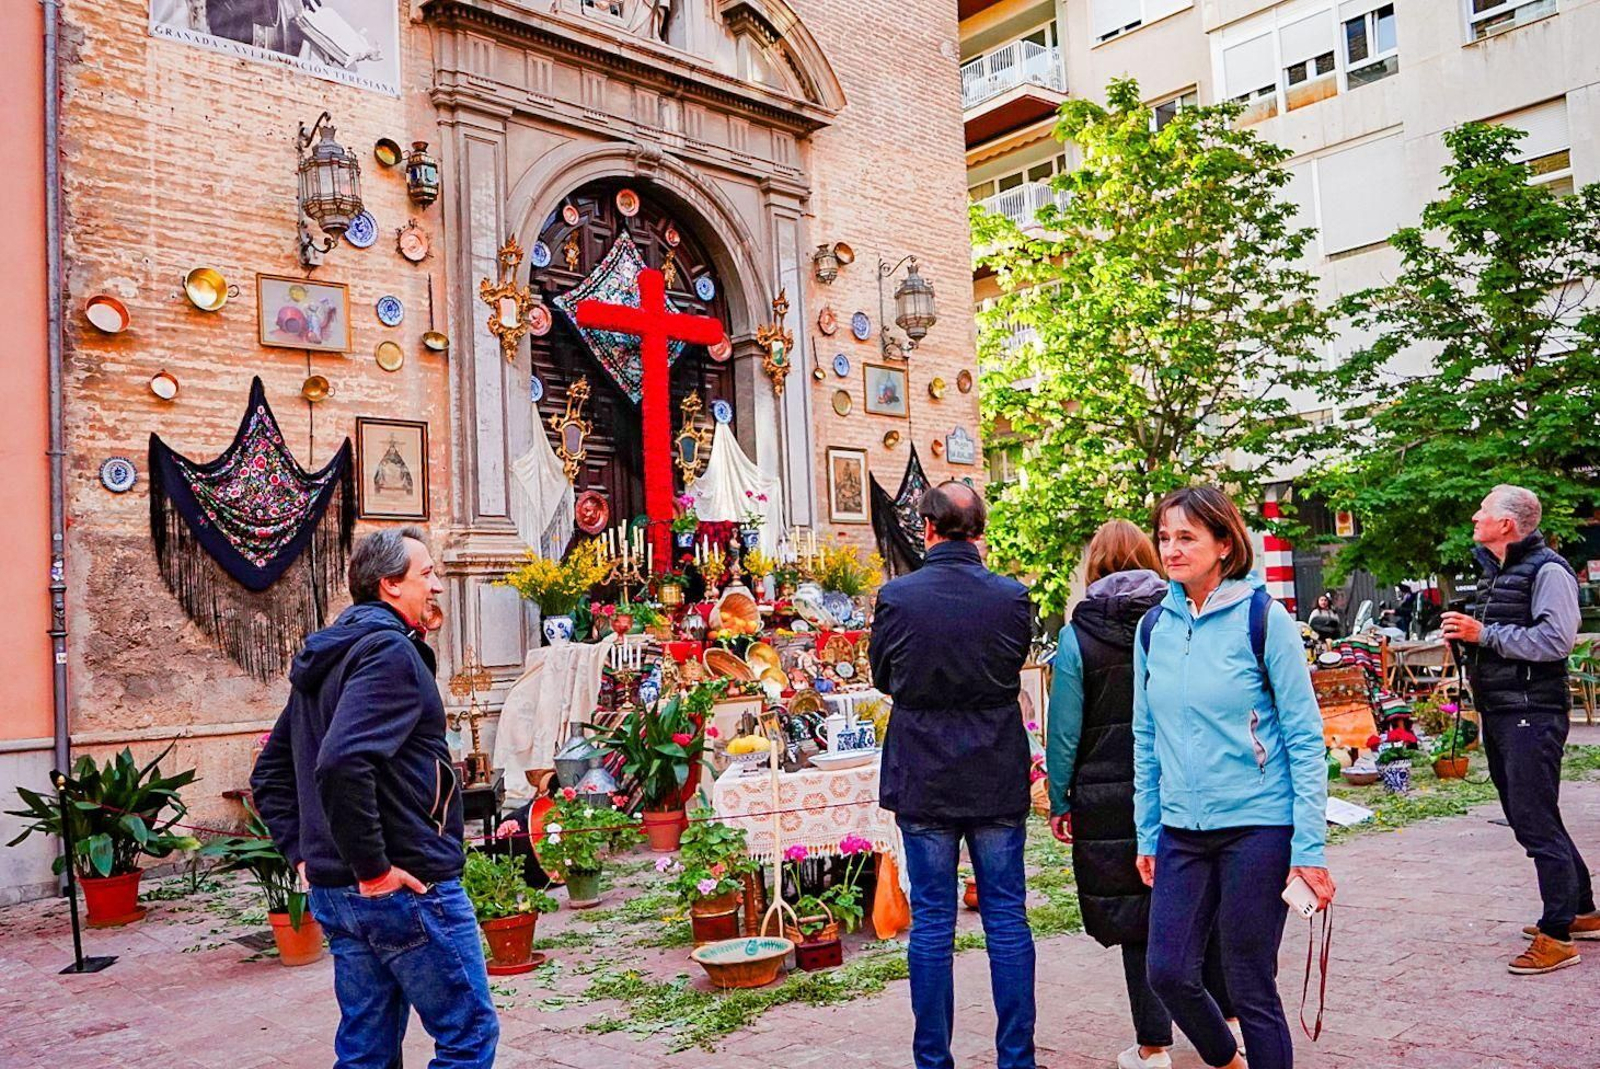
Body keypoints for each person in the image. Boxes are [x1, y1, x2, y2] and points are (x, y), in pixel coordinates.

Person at [252, 528, 499, 1069]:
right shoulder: (388, 652)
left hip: (341, 891)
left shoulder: (333, 655)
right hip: (404, 887)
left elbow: (270, 773)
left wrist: (305, 855)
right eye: (426, 574)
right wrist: (373, 870)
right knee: (468, 1035)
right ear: (389, 584)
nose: (436, 586)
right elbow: (341, 763)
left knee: (366, 1049)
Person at [1134, 487, 1334, 1069]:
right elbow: (1145, 739)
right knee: (1166, 971)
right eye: (1164, 537)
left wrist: (1310, 848)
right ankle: (1225, 1059)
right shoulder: (1153, 628)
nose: (1171, 549)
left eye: (1186, 537)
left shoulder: (1263, 620)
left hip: (1258, 826)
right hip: (1180, 830)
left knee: (1249, 980)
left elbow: (1303, 738)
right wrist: (1148, 832)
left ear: (1225, 544)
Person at [1047, 520, 1239, 1069]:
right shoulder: (1180, 620)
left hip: (1108, 796)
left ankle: (1153, 1046)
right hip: (1182, 780)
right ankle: (1228, 1024)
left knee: (1137, 920)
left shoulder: (1077, 635)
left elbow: (1064, 729)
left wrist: (1060, 798)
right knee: (1205, 903)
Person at [872, 481, 1036, 1069]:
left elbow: (883, 677)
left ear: (928, 530)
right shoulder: (1012, 597)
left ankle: (932, 1060)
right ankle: (1017, 1059)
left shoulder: (898, 597)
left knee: (934, 922)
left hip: (924, 771)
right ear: (980, 532)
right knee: (1007, 917)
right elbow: (1010, 667)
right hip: (993, 767)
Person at [1440, 484, 1594, 973]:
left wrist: (1483, 633)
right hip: (1505, 708)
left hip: (1532, 710)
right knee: (1535, 815)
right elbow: (1505, 638)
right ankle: (1583, 911)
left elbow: (1555, 640)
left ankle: (1556, 934)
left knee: (1532, 819)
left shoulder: (1548, 570)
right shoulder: (1497, 573)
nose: (1473, 516)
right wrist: (1469, 639)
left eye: (1482, 510)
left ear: (1507, 524)